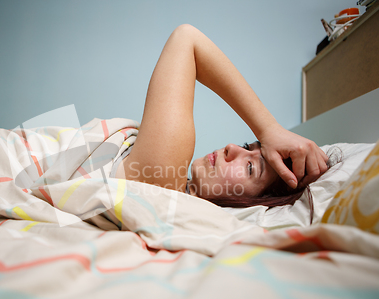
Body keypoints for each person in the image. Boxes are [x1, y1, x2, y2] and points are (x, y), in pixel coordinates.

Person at [113, 24, 329, 207]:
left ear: (252, 203)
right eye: (246, 146)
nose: (231, 148)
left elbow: (186, 37)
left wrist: (269, 129)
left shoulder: (163, 183)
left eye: (250, 168)